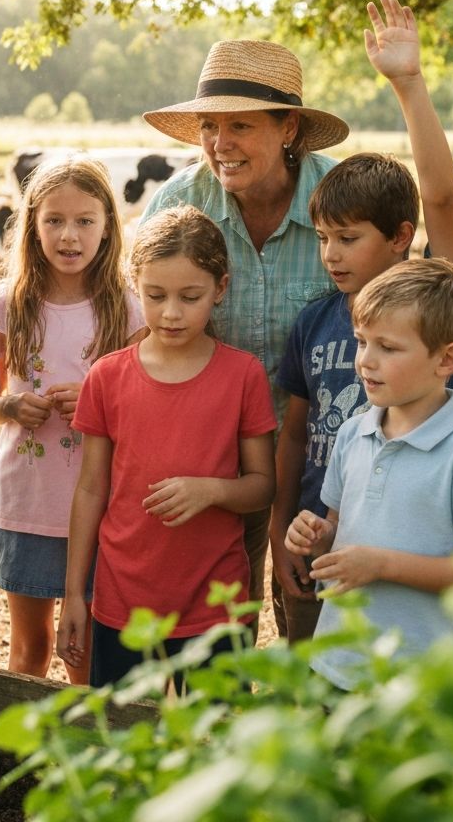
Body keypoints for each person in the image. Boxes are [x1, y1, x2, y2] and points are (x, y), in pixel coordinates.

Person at [271, 0, 453, 642]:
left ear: (400, 236)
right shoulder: (315, 322)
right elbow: (293, 436)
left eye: (349, 238)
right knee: (314, 701)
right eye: (322, 237)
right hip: (324, 545)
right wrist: (282, 534)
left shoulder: (438, 297)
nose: (331, 253)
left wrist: (408, 83)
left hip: (420, 556)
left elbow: (442, 194)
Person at [140, 36, 349, 609]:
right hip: (210, 461)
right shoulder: (179, 204)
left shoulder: (340, 202)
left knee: (311, 617)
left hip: (321, 461)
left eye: (240, 126)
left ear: (288, 129)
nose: (219, 144)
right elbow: (145, 328)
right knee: (211, 623)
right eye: (210, 125)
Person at [56, 207, 277, 687]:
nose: (171, 312)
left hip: (215, 603)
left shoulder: (243, 376)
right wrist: (75, 593)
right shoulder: (107, 376)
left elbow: (263, 487)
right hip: (123, 600)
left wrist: (211, 491)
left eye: (190, 296)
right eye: (155, 296)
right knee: (124, 741)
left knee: (215, 744)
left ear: (220, 289)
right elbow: (91, 490)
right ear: (135, 285)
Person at [285, 258, 453, 689]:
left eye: (387, 348)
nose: (365, 362)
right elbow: (340, 530)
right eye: (361, 342)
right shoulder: (353, 433)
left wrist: (383, 565)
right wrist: (318, 535)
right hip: (337, 662)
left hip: (417, 685)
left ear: (447, 359)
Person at [0, 157, 147, 684]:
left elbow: (147, 411)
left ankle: (87, 756)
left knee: (86, 651)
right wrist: (9, 407)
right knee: (30, 649)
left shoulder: (127, 309)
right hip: (27, 501)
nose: (68, 235)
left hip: (100, 505)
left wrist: (102, 405)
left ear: (108, 226)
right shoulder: (9, 305)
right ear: (32, 224)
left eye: (84, 221)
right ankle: (23, 759)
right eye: (54, 220)